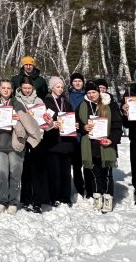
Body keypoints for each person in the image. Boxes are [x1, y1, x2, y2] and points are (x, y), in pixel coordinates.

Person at [0, 78, 43, 214]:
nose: (6, 90)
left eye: (8, 88)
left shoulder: (17, 104)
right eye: (3, 88)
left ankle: (13, 201)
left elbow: (27, 122)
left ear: (12, 90)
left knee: (15, 174)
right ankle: (2, 200)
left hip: (15, 144)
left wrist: (20, 118)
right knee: (2, 174)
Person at [76, 81, 121, 213]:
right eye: (89, 92)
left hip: (106, 144)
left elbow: (117, 125)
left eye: (94, 92)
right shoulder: (83, 105)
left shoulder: (109, 104)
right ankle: (97, 197)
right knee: (95, 174)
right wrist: (83, 127)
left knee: (106, 174)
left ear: (99, 92)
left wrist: (111, 139)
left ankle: (107, 198)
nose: (91, 95)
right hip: (90, 145)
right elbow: (77, 123)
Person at [16, 76, 49, 212]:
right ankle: (26, 199)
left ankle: (37, 201)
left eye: (29, 88)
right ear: (20, 88)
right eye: (24, 88)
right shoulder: (16, 100)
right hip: (23, 138)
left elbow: (45, 120)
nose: (27, 90)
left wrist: (47, 119)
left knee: (37, 170)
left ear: (33, 88)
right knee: (25, 170)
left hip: (37, 138)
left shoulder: (39, 101)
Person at [43, 76, 76, 207]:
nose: (60, 89)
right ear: (52, 88)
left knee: (66, 172)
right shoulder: (46, 102)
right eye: (58, 87)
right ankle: (54, 197)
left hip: (66, 141)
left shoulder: (66, 102)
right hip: (53, 141)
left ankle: (65, 197)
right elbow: (43, 120)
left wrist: (74, 124)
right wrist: (52, 124)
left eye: (62, 87)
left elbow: (72, 117)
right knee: (54, 171)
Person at [67, 73, 87, 198]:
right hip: (71, 133)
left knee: (87, 162)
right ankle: (79, 186)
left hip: (85, 132)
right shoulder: (67, 95)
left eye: (80, 81)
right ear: (71, 83)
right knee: (76, 163)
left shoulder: (87, 95)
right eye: (75, 81)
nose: (78, 83)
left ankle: (89, 186)